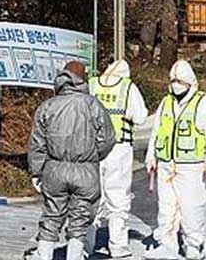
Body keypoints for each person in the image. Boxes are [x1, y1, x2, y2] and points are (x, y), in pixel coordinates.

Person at [28, 61, 116, 260]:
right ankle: (74, 256)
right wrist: (93, 155)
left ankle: (44, 255)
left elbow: (37, 144)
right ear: (83, 80)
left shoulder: (48, 106)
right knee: (80, 220)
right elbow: (108, 138)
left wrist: (36, 171)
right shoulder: (93, 104)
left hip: (54, 169)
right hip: (85, 170)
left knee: (51, 216)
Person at [144, 60, 206, 260]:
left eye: (179, 81)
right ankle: (166, 243)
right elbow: (157, 130)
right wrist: (151, 155)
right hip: (166, 163)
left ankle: (194, 244)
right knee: (166, 206)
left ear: (189, 82)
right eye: (173, 80)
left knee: (191, 207)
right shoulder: (166, 102)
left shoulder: (203, 102)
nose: (175, 84)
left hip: (192, 165)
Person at [86, 60, 149, 258]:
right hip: (119, 148)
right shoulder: (128, 88)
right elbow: (140, 117)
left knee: (90, 196)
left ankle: (85, 244)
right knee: (118, 198)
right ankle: (118, 246)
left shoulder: (92, 84)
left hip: (92, 148)